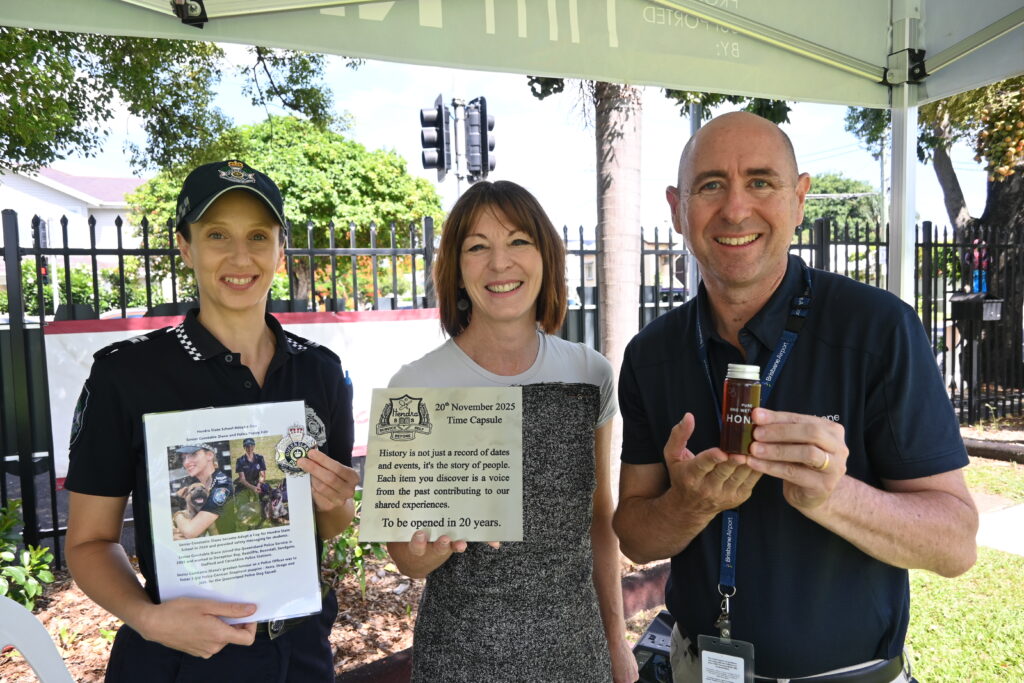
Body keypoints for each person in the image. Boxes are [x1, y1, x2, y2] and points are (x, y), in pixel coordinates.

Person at [612, 112, 979, 682]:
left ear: (800, 198)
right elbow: (634, 536)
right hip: (696, 670)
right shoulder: (651, 353)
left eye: (761, 181)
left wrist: (833, 496)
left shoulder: (879, 330)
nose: (736, 209)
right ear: (677, 209)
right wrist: (688, 506)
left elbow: (955, 545)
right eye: (710, 185)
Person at [63, 159, 359, 681]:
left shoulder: (320, 371)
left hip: (301, 652)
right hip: (179, 660)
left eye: (258, 236)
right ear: (185, 247)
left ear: (281, 250)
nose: (241, 256)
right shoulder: (127, 374)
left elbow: (331, 524)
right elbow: (89, 543)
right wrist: (148, 620)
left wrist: (333, 501)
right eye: (217, 234)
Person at [386, 180, 638, 683]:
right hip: (459, 660)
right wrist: (430, 549)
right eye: (477, 247)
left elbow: (599, 517)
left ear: (546, 257)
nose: (499, 263)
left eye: (518, 241)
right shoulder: (416, 385)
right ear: (456, 270)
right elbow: (403, 556)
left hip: (575, 654)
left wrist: (616, 641)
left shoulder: (590, 373)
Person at [172, 444, 232, 539]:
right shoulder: (206, 484)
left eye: (193, 455)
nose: (186, 462)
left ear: (209, 455)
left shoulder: (222, 485)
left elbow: (190, 532)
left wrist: (177, 515)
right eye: (184, 458)